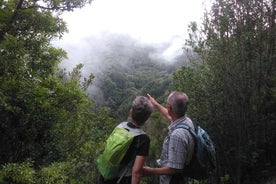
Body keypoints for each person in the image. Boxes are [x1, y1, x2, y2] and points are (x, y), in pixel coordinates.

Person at [143, 92, 195, 184]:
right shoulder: (186, 121)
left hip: (172, 180)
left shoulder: (177, 135)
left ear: (170, 108)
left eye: (167, 104)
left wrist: (151, 170)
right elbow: (168, 114)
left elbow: (174, 169)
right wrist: (155, 103)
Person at [100, 96, 153, 184]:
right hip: (123, 180)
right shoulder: (143, 139)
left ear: (131, 112)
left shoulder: (120, 126)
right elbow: (136, 172)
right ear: (147, 118)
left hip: (105, 176)